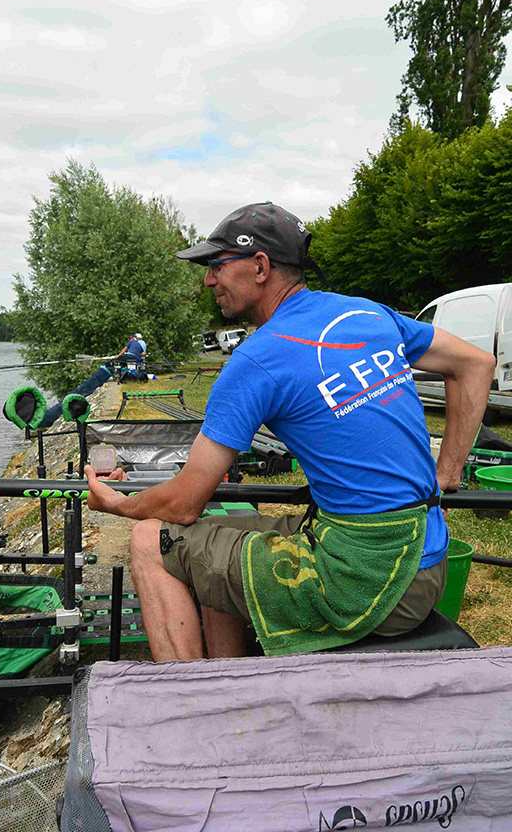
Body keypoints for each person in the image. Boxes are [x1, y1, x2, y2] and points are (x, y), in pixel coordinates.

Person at [85, 202, 495, 662]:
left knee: (150, 540)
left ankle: (192, 696)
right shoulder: (367, 314)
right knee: (214, 537)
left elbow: (183, 503)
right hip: (428, 555)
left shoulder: (257, 359)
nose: (208, 281)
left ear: (260, 266)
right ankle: (228, 677)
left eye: (217, 266)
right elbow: (476, 363)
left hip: (369, 582)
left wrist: (116, 503)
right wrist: (447, 472)